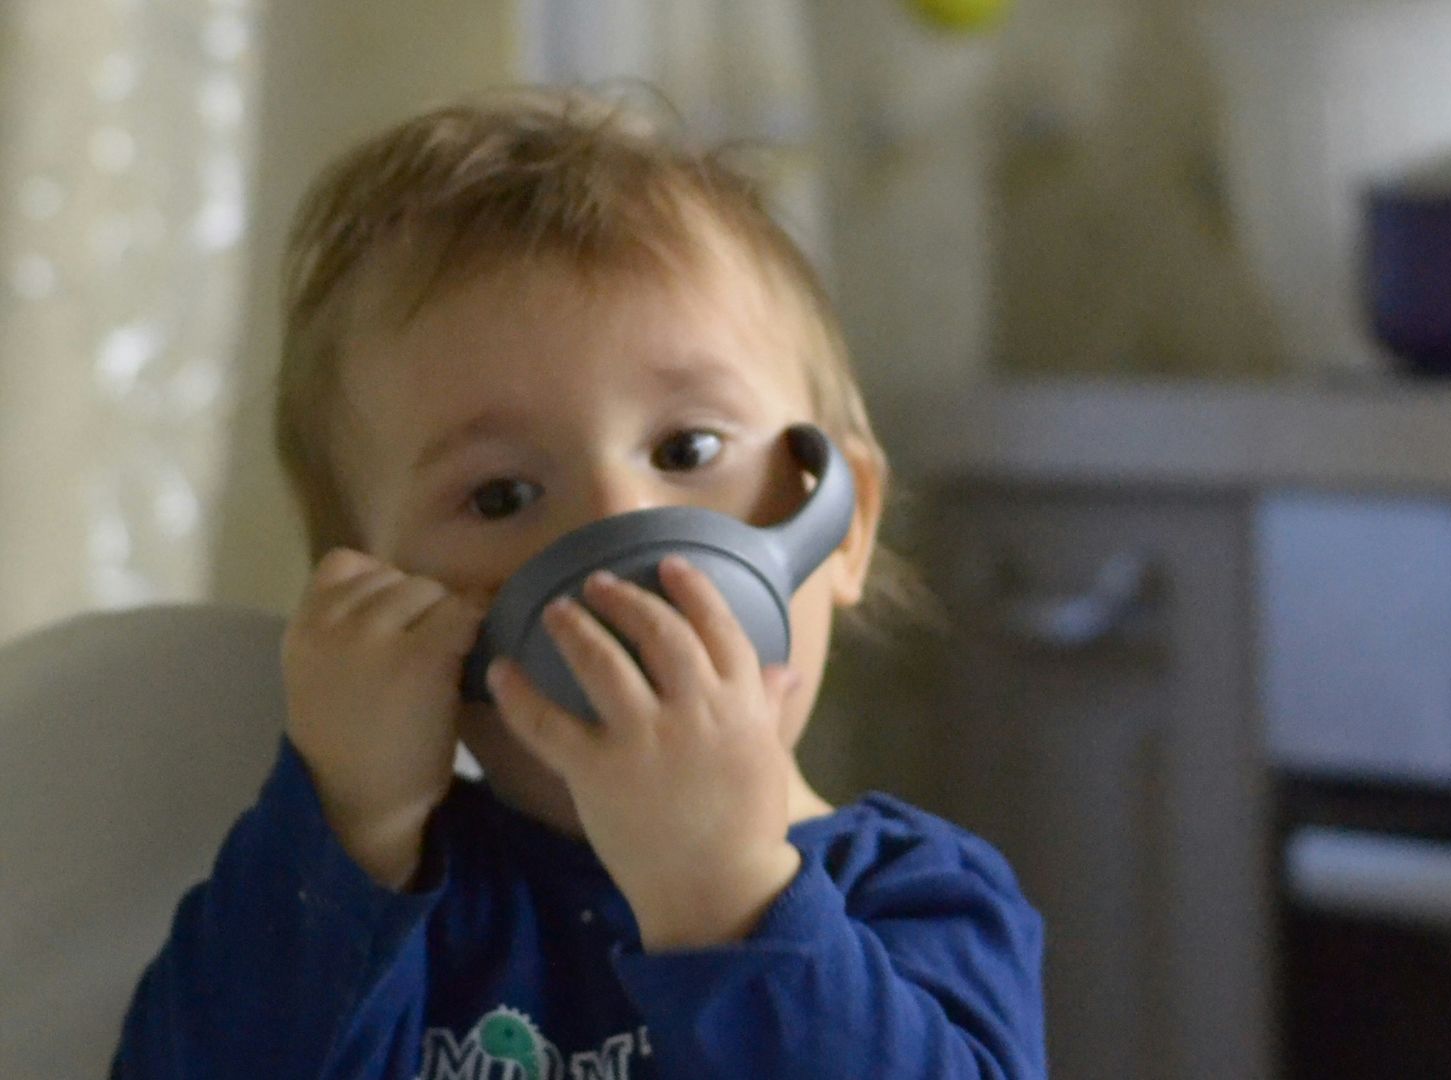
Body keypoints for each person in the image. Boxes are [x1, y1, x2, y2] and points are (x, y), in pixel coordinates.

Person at [112, 85, 1046, 1079]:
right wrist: (348, 826)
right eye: (503, 494)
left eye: (688, 447)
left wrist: (719, 891)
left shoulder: (922, 897)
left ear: (840, 524)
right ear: (388, 609)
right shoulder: (382, 905)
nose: (617, 529)